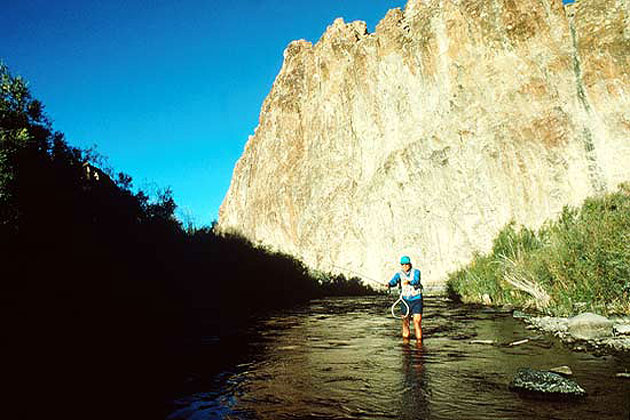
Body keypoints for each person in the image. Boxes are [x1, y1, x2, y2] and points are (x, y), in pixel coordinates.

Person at [387, 256, 423, 342]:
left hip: (416, 300)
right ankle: (406, 346)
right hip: (405, 301)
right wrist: (389, 284)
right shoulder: (398, 274)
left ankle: (419, 345)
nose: (405, 266)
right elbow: (394, 281)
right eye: (403, 264)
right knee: (405, 323)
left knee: (417, 322)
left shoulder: (416, 272)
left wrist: (409, 282)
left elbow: (416, 280)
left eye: (406, 264)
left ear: (410, 264)